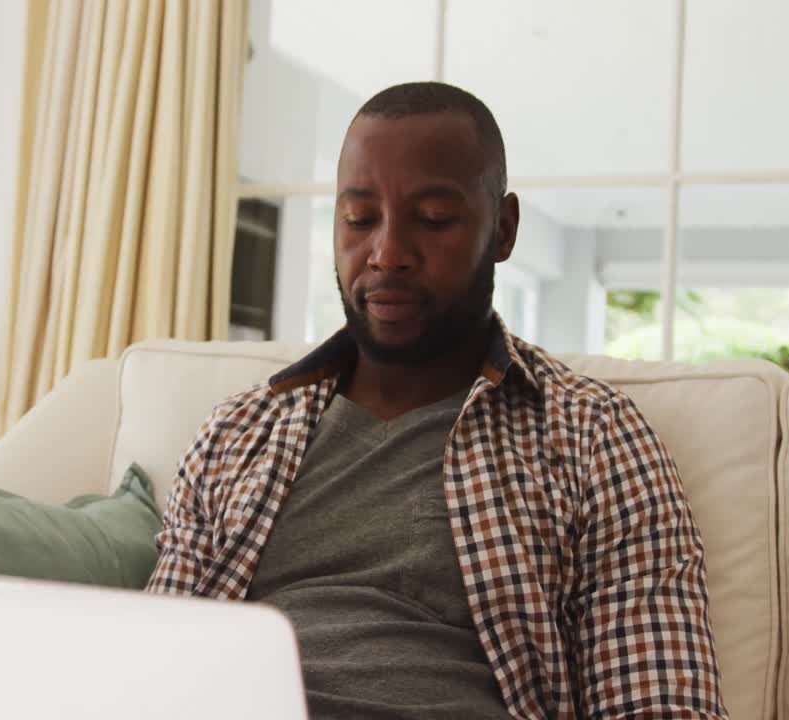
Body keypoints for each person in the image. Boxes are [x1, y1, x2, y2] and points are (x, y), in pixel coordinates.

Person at [146, 81, 726, 719]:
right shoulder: (237, 434)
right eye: (359, 219)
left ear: (502, 230)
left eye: (433, 220)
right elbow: (148, 670)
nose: (387, 254)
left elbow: (659, 704)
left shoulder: (592, 435)